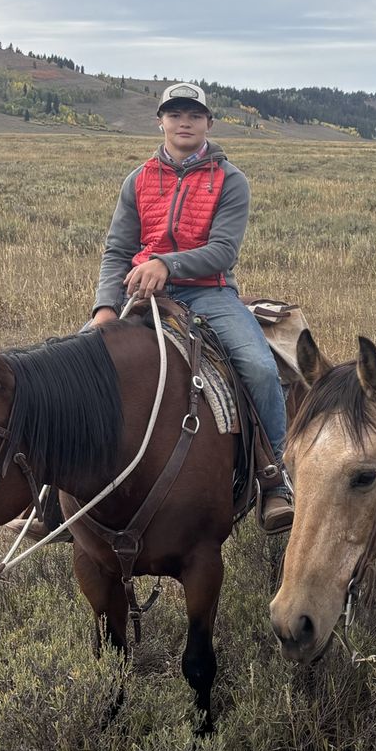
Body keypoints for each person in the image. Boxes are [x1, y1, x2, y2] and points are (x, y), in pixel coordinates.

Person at [89, 82, 293, 532]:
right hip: (142, 293)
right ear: (160, 122)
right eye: (175, 114)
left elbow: (223, 251)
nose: (184, 122)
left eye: (194, 115)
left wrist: (167, 263)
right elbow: (117, 250)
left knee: (259, 367)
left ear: (208, 124)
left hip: (208, 292)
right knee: (74, 369)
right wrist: (105, 307)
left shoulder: (231, 180)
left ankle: (274, 476)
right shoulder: (138, 180)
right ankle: (52, 496)